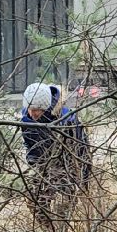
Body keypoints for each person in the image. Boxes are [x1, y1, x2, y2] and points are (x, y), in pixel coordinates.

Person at [19, 82, 90, 217]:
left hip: (67, 166)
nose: (32, 113)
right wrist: (33, 161)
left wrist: (83, 180)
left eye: (37, 110)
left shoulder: (67, 119)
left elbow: (82, 150)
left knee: (63, 205)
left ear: (45, 107)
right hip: (44, 166)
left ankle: (60, 231)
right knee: (33, 198)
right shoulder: (26, 119)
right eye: (30, 109)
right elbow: (30, 143)